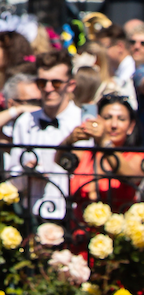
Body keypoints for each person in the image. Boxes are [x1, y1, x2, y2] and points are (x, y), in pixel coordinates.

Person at [7, 50, 83, 220]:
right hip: (33, 213)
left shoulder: (81, 120)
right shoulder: (25, 122)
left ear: (70, 85)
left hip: (72, 214)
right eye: (42, 82)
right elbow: (12, 177)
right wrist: (28, 171)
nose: (48, 89)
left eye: (56, 83)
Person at [64, 93, 142, 208]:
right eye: (107, 118)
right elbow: (61, 161)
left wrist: (105, 142)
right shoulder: (86, 154)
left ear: (131, 126)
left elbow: (129, 177)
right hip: (79, 223)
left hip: (119, 223)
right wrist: (68, 141)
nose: (114, 125)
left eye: (121, 119)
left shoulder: (137, 157)